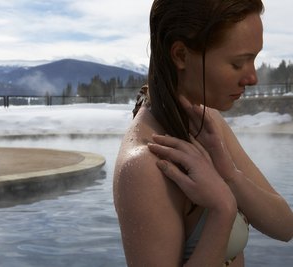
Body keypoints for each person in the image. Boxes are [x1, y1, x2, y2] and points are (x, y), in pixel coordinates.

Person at [113, 0, 293, 266]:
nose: (253, 78)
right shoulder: (144, 166)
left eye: (254, 59)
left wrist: (230, 176)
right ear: (181, 55)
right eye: (237, 63)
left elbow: (285, 227)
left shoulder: (208, 122)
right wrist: (223, 210)